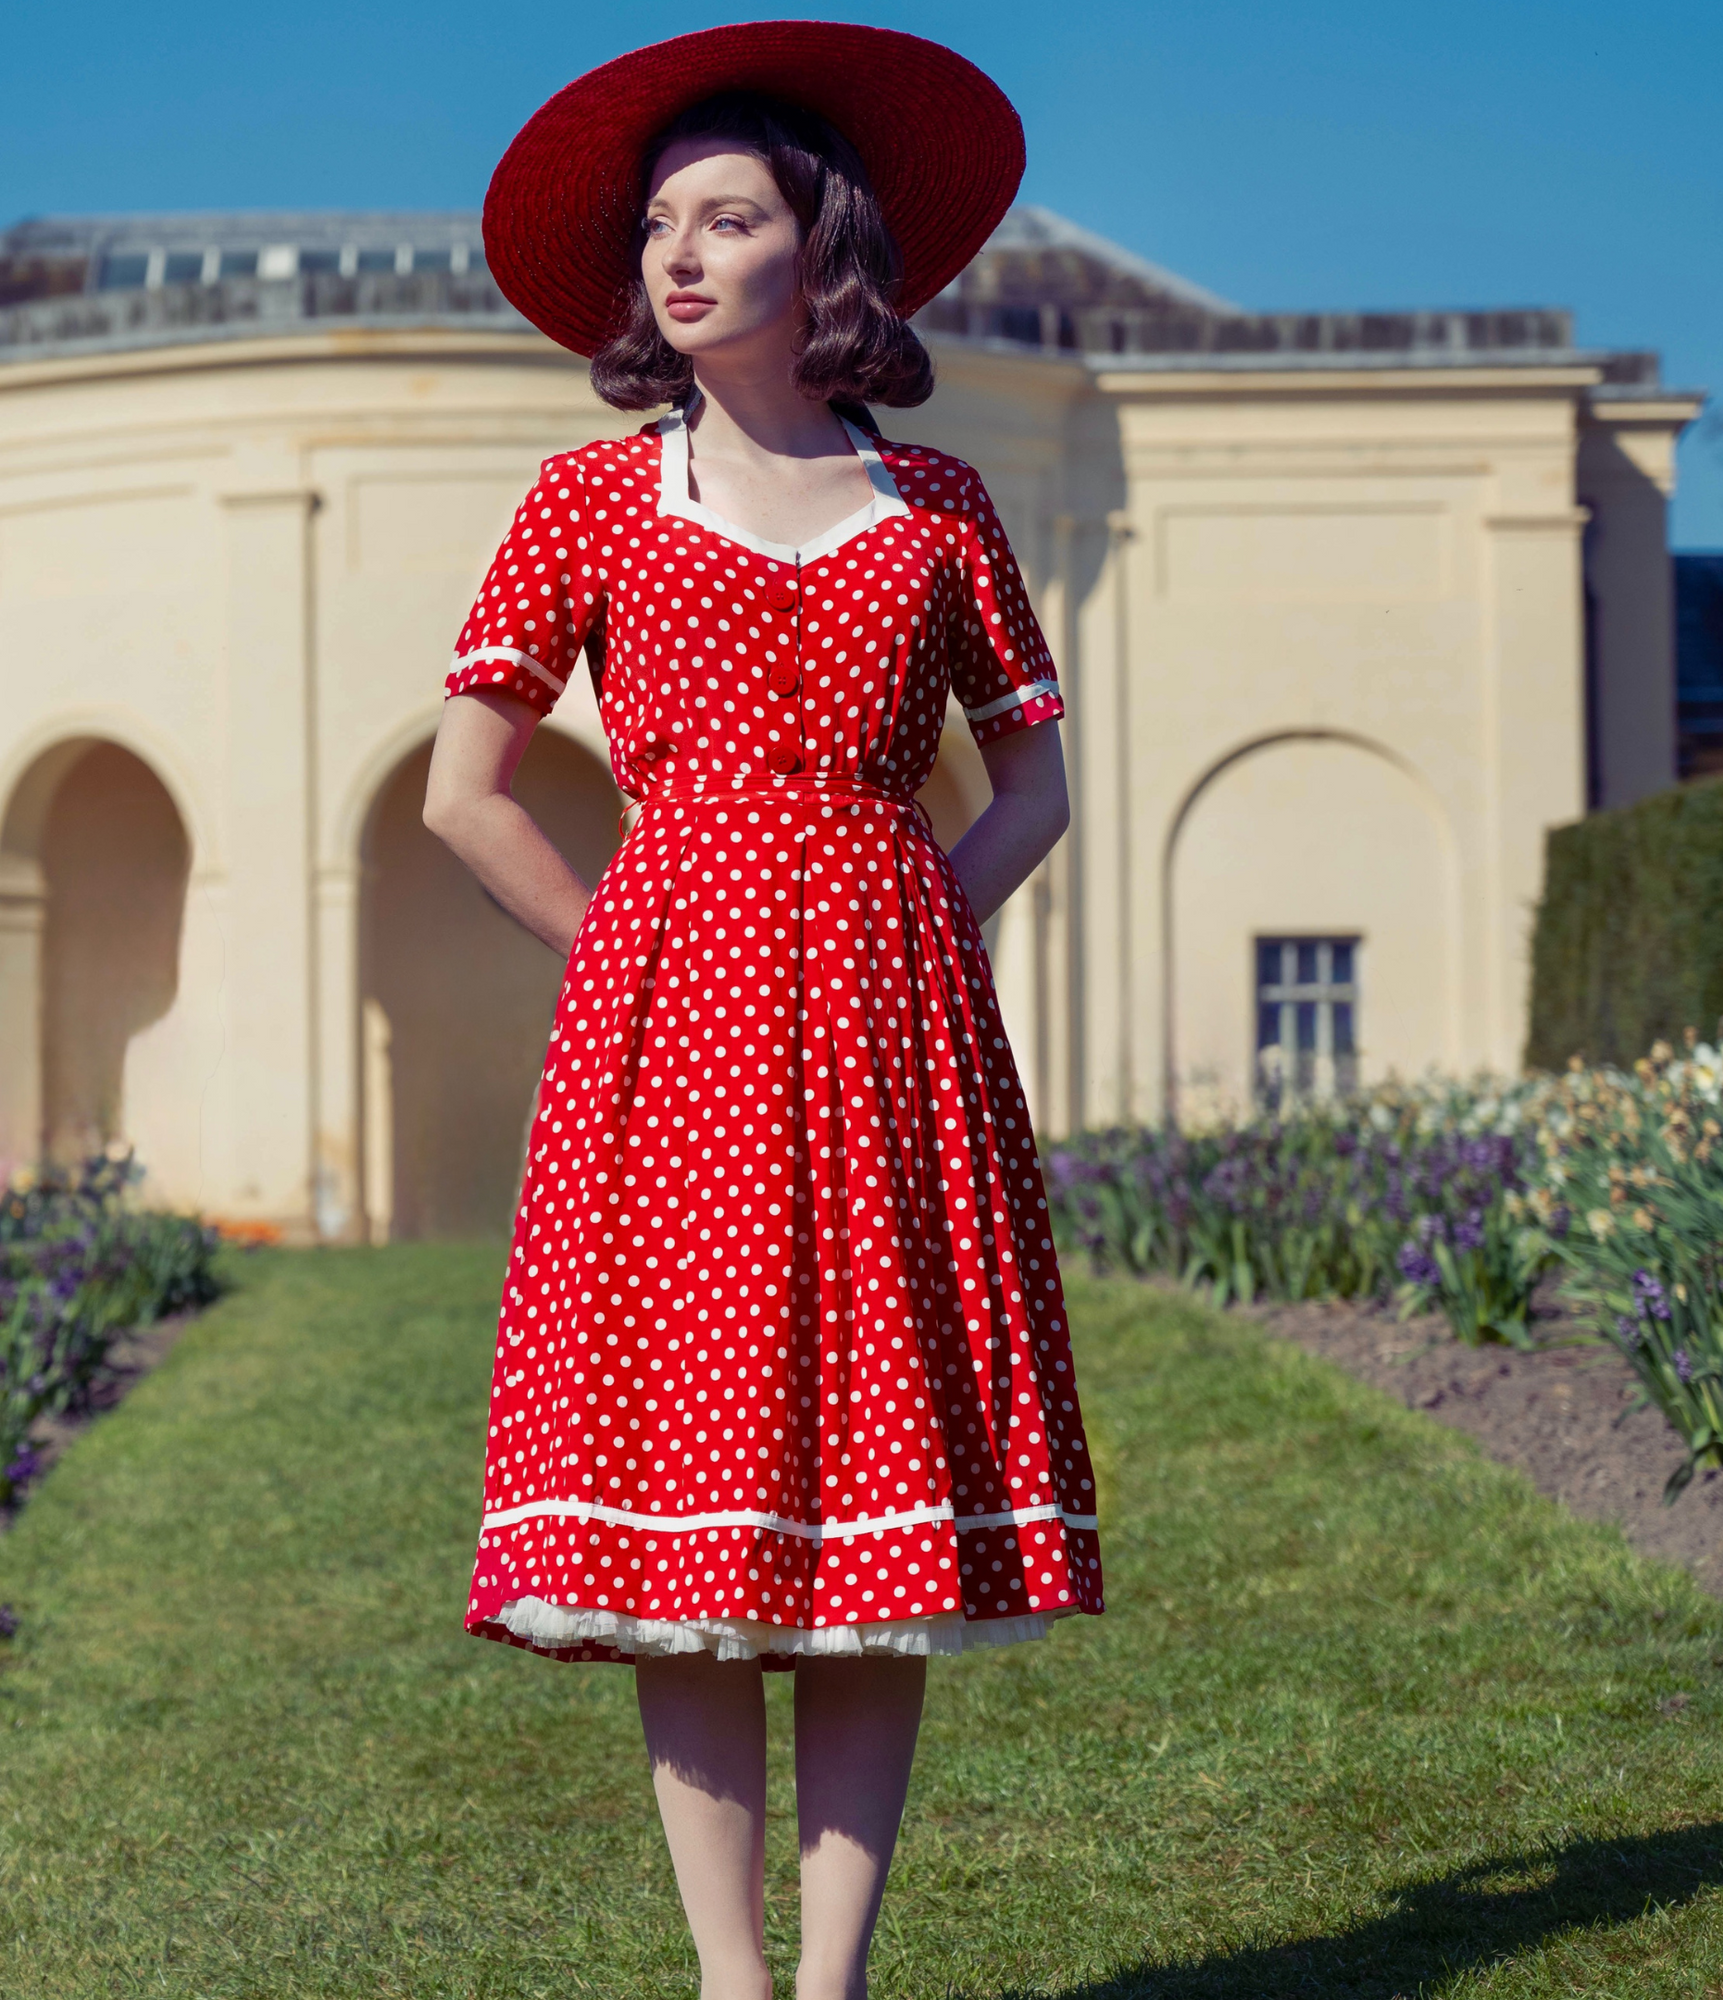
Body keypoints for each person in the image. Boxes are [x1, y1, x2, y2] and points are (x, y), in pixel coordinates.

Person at [422, 24, 1104, 2000]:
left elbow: (1036, 784)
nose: (680, 254)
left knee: (874, 1514)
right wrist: (629, 944)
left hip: (896, 1043)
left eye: (730, 217)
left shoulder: (943, 503)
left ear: (828, 249)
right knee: (683, 1531)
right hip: (670, 1047)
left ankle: (832, 1985)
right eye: (660, 226)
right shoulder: (584, 500)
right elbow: (464, 791)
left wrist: (919, 925)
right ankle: (730, 1984)